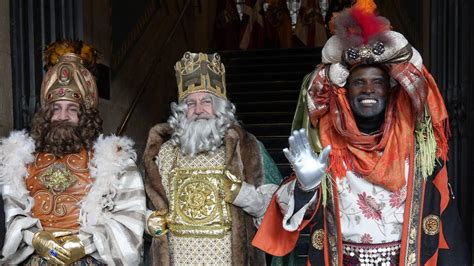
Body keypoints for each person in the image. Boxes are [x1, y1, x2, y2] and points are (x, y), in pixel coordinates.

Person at [252, 0, 471, 265]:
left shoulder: (418, 149)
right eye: (358, 82)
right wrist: (304, 187)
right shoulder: (326, 149)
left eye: (377, 82)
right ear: (345, 91)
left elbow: (446, 221)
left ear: (389, 90)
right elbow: (292, 218)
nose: (368, 89)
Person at [0, 40, 146, 265]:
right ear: (46, 113)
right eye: (56, 108)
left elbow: (130, 219)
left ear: (85, 115)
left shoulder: (114, 160)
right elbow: (15, 213)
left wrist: (83, 244)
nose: (62, 116)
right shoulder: (21, 159)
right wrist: (37, 238)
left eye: (72, 109)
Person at [143, 51, 282, 265]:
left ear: (220, 107)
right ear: (181, 111)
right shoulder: (163, 153)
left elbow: (279, 208)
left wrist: (247, 197)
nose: (198, 110)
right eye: (190, 104)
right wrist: (148, 221)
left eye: (206, 101)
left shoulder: (246, 148)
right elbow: (138, 208)